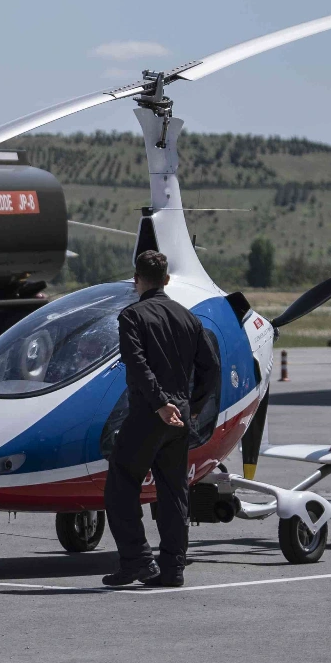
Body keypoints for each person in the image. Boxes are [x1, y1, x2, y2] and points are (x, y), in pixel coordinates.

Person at [104, 249, 219, 589]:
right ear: (166, 279)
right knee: (173, 491)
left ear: (136, 278)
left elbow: (138, 365)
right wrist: (192, 406)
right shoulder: (188, 317)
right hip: (180, 415)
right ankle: (172, 568)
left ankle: (137, 560)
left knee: (121, 484)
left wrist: (159, 404)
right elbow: (211, 367)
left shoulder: (132, 316)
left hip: (150, 414)